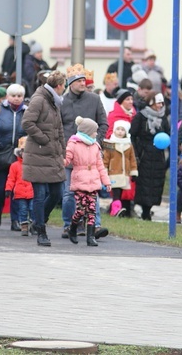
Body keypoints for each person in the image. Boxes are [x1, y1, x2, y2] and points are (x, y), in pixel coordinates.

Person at [59, 64, 108, 239]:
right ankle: (69, 225)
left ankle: (94, 226)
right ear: (70, 83)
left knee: (92, 190)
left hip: (90, 157)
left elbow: (104, 123)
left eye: (83, 80)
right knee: (69, 193)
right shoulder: (62, 101)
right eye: (79, 80)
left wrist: (97, 142)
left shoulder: (94, 99)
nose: (83, 83)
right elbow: (57, 127)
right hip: (69, 154)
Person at [21, 70, 67, 246]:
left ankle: (39, 220)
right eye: (64, 85)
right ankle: (41, 230)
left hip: (52, 155)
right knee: (39, 195)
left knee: (57, 193)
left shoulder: (54, 101)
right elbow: (27, 123)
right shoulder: (39, 99)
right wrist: (44, 139)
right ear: (59, 86)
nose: (64, 89)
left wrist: (62, 151)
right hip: (37, 155)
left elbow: (59, 129)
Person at [64, 117, 111, 246]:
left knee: (91, 210)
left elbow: (100, 166)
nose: (96, 134)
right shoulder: (73, 143)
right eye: (94, 131)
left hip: (93, 181)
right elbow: (67, 159)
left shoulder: (95, 146)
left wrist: (106, 182)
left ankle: (90, 237)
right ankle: (73, 228)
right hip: (80, 181)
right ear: (87, 131)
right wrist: (60, 162)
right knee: (80, 209)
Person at [0, 83, 27, 230]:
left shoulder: (26, 112)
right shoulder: (0, 110)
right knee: (1, 189)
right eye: (13, 96)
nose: (16, 99)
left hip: (18, 156)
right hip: (1, 154)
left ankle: (15, 220)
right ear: (7, 96)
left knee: (16, 190)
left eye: (19, 96)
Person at [131, 91, 169, 220]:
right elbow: (133, 134)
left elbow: (167, 135)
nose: (160, 106)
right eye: (158, 102)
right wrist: (136, 152)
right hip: (144, 155)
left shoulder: (163, 118)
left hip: (158, 156)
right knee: (143, 183)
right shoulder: (141, 116)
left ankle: (149, 208)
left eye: (161, 103)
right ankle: (143, 209)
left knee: (155, 184)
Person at [102, 120, 138, 218]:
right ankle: (115, 211)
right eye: (118, 129)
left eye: (122, 130)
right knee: (116, 193)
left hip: (124, 174)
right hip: (113, 173)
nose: (120, 132)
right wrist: (104, 171)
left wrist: (133, 172)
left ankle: (112, 210)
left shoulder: (129, 145)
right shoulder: (110, 144)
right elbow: (105, 159)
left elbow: (132, 159)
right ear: (114, 131)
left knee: (120, 193)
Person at [6, 136, 33, 236]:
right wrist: (8, 189)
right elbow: (11, 179)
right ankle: (24, 225)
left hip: (32, 192)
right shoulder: (15, 166)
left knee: (32, 208)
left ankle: (33, 224)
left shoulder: (33, 165)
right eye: (23, 151)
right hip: (20, 193)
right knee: (22, 210)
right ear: (19, 153)